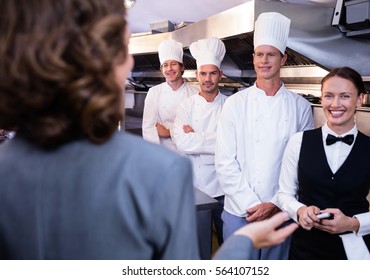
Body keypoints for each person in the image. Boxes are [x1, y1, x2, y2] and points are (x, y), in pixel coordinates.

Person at [0, 0, 297, 260]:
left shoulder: (6, 167)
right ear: (118, 61)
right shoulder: (159, 173)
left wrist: (186, 137)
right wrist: (243, 244)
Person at [215, 12, 314, 260]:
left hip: (280, 210)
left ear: (283, 59)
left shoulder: (300, 106)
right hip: (240, 211)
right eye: (259, 54)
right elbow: (225, 161)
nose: (264, 60)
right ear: (253, 58)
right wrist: (252, 203)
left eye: (271, 54)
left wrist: (275, 204)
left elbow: (302, 164)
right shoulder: (236, 104)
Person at [277, 66, 370, 260]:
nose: (335, 104)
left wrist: (353, 223)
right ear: (321, 98)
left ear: (360, 99)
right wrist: (300, 210)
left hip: (355, 253)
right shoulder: (298, 142)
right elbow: (283, 195)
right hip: (305, 251)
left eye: (345, 96)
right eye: (329, 96)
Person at [173, 37, 227, 246]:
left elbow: (233, 143)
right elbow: (181, 142)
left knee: (227, 247)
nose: (207, 78)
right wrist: (217, 138)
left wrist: (196, 136)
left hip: (225, 189)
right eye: (203, 73)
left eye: (212, 73)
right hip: (196, 188)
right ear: (196, 75)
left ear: (220, 75)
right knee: (198, 246)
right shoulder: (186, 106)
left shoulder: (231, 105)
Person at [142, 39, 198, 153]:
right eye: (165, 65)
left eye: (173, 64)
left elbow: (197, 129)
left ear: (182, 67)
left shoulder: (196, 93)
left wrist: (168, 132)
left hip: (189, 155)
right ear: (161, 69)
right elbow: (149, 129)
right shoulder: (154, 92)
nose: (169, 69)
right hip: (162, 155)